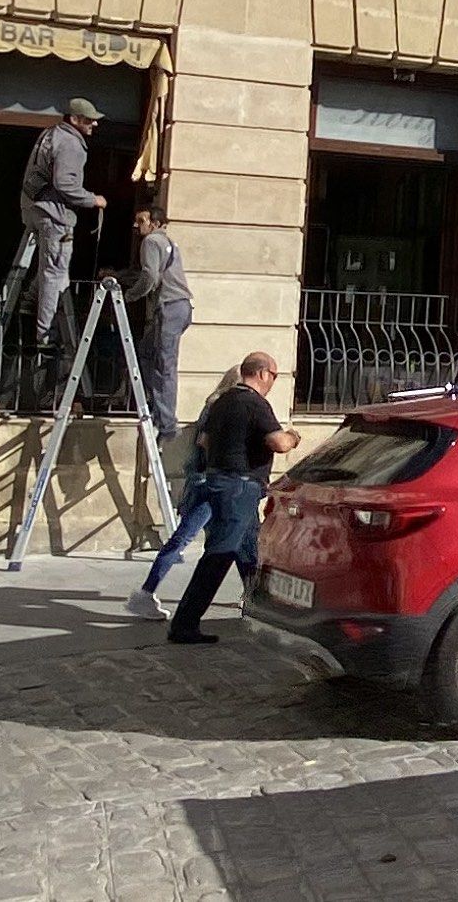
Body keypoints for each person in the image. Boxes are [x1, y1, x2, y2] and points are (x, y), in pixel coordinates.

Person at [168, 352, 299, 645]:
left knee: (248, 551)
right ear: (264, 374)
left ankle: (262, 610)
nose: (273, 383)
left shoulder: (222, 401)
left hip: (220, 481)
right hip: (240, 486)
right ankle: (184, 623)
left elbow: (204, 441)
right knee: (219, 554)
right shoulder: (255, 403)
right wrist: (294, 436)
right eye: (275, 377)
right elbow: (278, 443)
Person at [124, 367, 241, 621]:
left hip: (203, 480)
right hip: (213, 483)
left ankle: (250, 595)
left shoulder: (211, 405)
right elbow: (207, 444)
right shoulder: (223, 408)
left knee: (236, 539)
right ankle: (145, 593)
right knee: (187, 539)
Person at [20, 97, 106, 350]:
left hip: (37, 209)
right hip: (56, 215)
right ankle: (46, 335)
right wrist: (93, 200)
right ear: (74, 119)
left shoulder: (50, 134)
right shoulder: (71, 144)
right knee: (55, 274)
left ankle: (28, 302)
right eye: (89, 120)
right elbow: (65, 184)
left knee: (48, 267)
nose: (94, 125)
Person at [120, 204, 192, 440]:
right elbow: (154, 273)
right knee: (147, 352)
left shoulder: (151, 242)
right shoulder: (170, 243)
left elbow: (150, 276)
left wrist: (130, 296)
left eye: (141, 221)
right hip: (180, 307)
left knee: (164, 365)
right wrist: (121, 276)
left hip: (170, 307)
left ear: (156, 223)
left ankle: (167, 423)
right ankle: (157, 407)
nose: (136, 226)